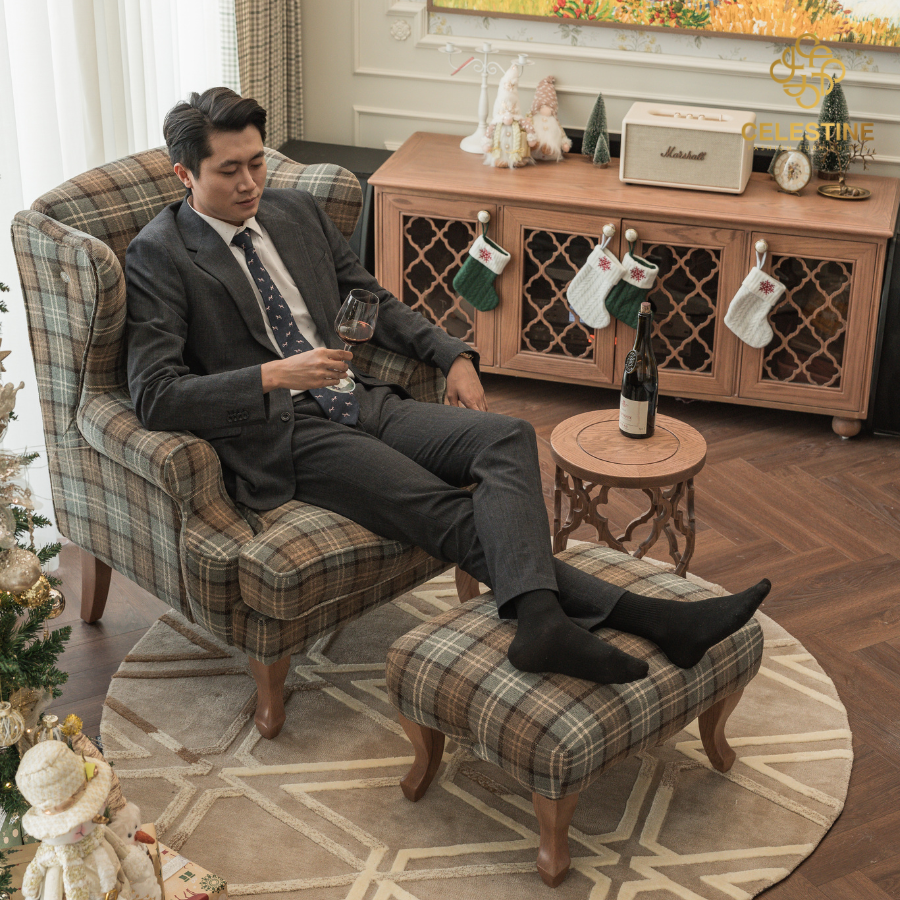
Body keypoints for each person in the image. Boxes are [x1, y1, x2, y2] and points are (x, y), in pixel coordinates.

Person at [126, 87, 769, 686]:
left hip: (360, 398)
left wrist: (451, 354)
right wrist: (275, 375)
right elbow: (155, 395)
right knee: (447, 508)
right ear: (185, 174)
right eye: (229, 171)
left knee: (506, 437)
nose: (250, 182)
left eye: (256, 162)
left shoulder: (294, 212)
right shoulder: (161, 254)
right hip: (286, 432)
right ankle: (649, 619)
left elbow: (369, 300)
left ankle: (544, 624)